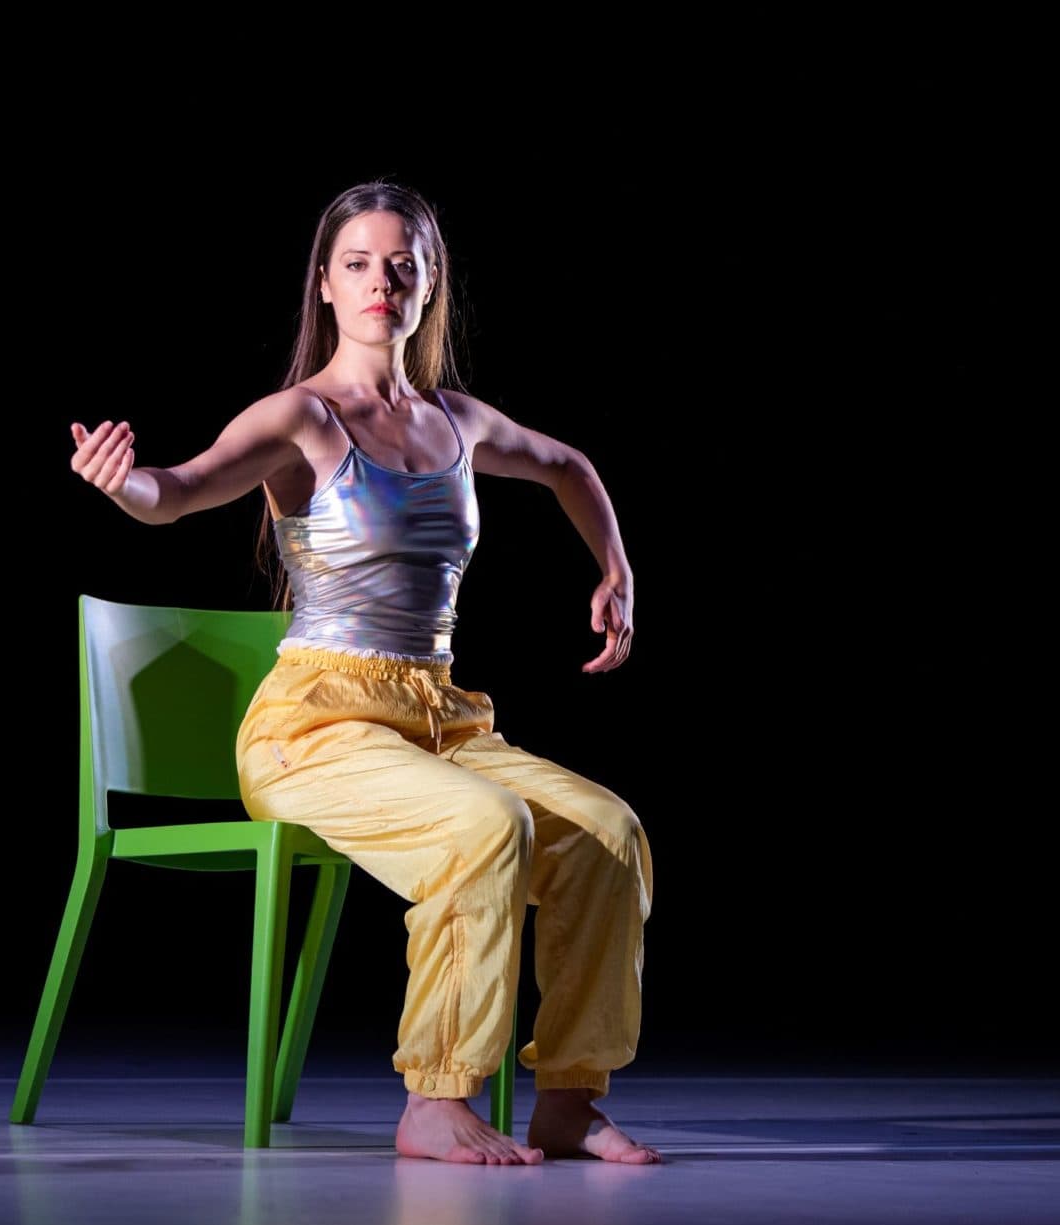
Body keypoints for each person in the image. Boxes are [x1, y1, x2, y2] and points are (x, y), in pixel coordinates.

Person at [67, 179, 657, 1166]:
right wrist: (121, 480)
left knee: (608, 832)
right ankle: (435, 1096)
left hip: (442, 717)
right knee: (486, 825)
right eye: (358, 264)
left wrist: (618, 567)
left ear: (429, 284)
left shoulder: (457, 421)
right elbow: (177, 489)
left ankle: (567, 1097)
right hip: (315, 725)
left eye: (402, 264)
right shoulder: (303, 418)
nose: (381, 281)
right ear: (327, 287)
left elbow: (569, 466)